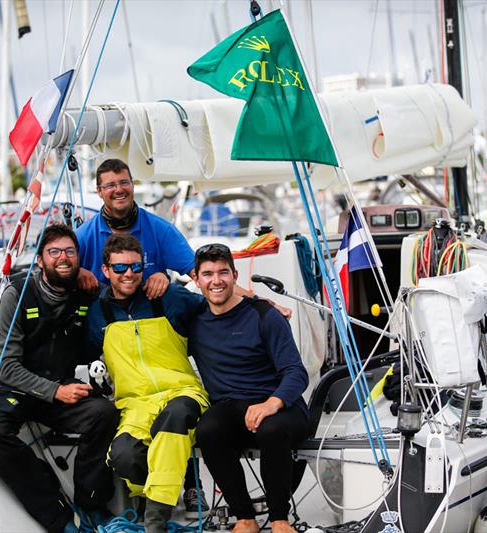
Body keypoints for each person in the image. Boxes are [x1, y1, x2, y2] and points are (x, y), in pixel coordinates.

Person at [0, 225, 119, 533]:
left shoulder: (86, 293)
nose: (63, 258)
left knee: (103, 414)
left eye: (70, 252)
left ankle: (91, 502)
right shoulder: (16, 294)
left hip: (58, 387)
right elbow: (6, 366)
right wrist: (56, 391)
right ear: (40, 260)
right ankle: (57, 517)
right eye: (54, 252)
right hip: (13, 388)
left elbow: (123, 288)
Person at [85, 234, 210, 533]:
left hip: (182, 392)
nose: (128, 273)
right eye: (119, 268)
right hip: (135, 405)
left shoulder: (167, 297)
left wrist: (258, 303)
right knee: (124, 456)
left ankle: (153, 520)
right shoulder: (97, 313)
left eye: (135, 266)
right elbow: (83, 356)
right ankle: (157, 495)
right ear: (105, 271)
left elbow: (215, 301)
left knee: (175, 418)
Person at [189, 243, 310, 533]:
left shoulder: (263, 316)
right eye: (207, 274)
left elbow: (296, 372)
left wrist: (271, 403)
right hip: (231, 407)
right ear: (196, 279)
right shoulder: (193, 319)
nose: (216, 281)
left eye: (223, 272)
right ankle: (245, 518)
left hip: (282, 407)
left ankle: (280, 518)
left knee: (271, 430)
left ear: (235, 275)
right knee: (207, 431)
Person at [74, 158, 194, 299]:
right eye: (110, 185)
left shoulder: (161, 230)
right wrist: (75, 273)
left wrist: (163, 279)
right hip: (101, 317)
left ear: (132, 185)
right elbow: (50, 275)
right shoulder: (83, 236)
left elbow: (200, 272)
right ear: (99, 191)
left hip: (150, 315)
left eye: (124, 182)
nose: (119, 190)